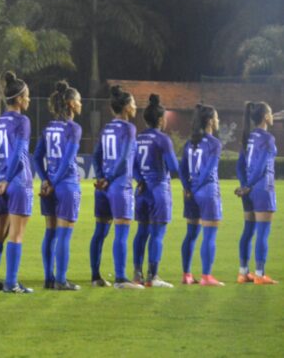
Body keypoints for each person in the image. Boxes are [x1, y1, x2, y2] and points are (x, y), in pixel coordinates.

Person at [90, 85, 142, 289]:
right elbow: (123, 158)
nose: (136, 106)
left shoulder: (106, 128)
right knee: (122, 232)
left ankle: (95, 277)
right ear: (127, 107)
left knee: (100, 232)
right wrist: (110, 178)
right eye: (134, 103)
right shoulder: (129, 128)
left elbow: (96, 156)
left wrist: (101, 177)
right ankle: (120, 278)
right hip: (119, 186)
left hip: (103, 188)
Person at [32, 80, 82, 291]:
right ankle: (61, 280)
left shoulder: (49, 127)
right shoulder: (73, 128)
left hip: (49, 186)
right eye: (79, 101)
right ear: (70, 103)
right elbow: (68, 160)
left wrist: (45, 179)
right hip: (66, 185)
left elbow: (36, 156)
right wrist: (52, 182)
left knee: (50, 233)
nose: (81, 105)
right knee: (64, 234)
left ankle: (48, 279)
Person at [0, 71, 34, 294]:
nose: (29, 100)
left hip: (1, 182)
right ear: (18, 99)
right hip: (17, 181)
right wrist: (6, 179)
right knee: (16, 234)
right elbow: (19, 151)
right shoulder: (22, 121)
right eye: (26, 96)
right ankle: (11, 282)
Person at [131, 94, 180, 287]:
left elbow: (133, 165)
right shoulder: (163, 139)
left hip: (141, 191)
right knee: (157, 233)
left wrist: (140, 180)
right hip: (159, 190)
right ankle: (153, 276)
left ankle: (137, 274)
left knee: (141, 232)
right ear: (160, 119)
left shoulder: (138, 137)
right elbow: (174, 167)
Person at [180, 104, 224, 286]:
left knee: (191, 233)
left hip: (190, 193)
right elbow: (209, 169)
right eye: (216, 117)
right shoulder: (214, 143)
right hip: (206, 190)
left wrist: (188, 187)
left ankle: (187, 275)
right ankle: (206, 276)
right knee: (209, 235)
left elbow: (182, 169)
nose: (218, 121)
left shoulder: (189, 142)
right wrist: (197, 186)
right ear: (209, 121)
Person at [235, 102, 277, 285]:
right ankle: (259, 274)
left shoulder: (249, 137)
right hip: (262, 188)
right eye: (271, 113)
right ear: (266, 117)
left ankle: (243, 273)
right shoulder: (267, 138)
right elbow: (261, 167)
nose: (273, 116)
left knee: (248, 231)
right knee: (262, 233)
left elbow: (239, 165)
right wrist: (250, 185)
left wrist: (244, 186)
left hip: (249, 191)